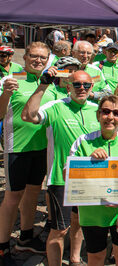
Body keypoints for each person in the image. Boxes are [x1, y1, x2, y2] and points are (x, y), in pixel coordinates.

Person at [22, 70, 101, 266]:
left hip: (89, 177)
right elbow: (28, 115)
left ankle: (75, 258)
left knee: (80, 221)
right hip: (61, 178)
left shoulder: (97, 109)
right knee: (60, 229)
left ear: (92, 88)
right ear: (68, 87)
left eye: (86, 85)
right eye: (76, 85)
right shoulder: (56, 107)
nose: (81, 88)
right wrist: (43, 85)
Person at [0, 42, 57, 262]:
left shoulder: (50, 83)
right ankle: (3, 246)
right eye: (34, 56)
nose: (38, 61)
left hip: (42, 147)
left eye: (43, 58)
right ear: (24, 57)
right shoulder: (13, 79)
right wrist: (5, 94)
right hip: (18, 148)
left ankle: (25, 237)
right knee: (12, 198)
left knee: (33, 192)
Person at [69, 95, 118, 266]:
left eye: (116, 113)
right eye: (106, 112)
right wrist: (88, 160)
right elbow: (68, 173)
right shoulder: (83, 141)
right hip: (92, 213)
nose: (110, 117)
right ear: (98, 115)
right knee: (95, 256)